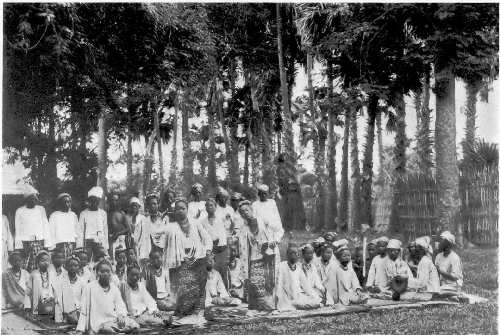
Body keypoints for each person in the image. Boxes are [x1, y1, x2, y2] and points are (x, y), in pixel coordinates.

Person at [163, 198, 212, 316]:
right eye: (177, 209)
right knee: (184, 288)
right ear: (174, 211)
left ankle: (198, 312)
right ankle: (185, 312)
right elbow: (163, 243)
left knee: (199, 287)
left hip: (198, 259)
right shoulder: (170, 227)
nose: (180, 211)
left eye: (182, 208)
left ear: (187, 209)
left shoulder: (196, 223)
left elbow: (207, 239)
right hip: (181, 261)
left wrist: (208, 253)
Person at [76, 260, 138, 334]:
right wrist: (80, 330)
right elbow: (83, 311)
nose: (105, 274)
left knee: (135, 325)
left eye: (108, 271)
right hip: (98, 323)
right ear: (97, 273)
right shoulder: (89, 288)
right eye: (102, 271)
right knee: (107, 330)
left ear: (111, 273)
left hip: (113, 321)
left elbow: (120, 305)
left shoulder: (114, 288)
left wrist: (120, 315)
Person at [237, 201, 279, 310]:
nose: (245, 213)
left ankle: (269, 304)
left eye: (246, 210)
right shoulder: (243, 229)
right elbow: (243, 247)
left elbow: (275, 232)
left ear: (251, 210)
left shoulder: (263, 222)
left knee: (268, 281)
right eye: (242, 212)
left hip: (266, 257)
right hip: (253, 258)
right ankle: (257, 305)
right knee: (255, 282)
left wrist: (272, 241)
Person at [275, 244, 321, 311]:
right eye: (291, 253)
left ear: (298, 255)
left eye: (295, 253)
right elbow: (279, 284)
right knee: (292, 305)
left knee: (316, 302)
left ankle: (298, 304)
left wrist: (314, 296)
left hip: (298, 296)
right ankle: (294, 304)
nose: (293, 255)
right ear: (287, 255)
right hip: (286, 297)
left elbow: (306, 285)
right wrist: (278, 298)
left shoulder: (299, 268)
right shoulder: (282, 266)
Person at [15, 188, 51, 271]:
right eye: (32, 199)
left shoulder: (41, 209)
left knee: (40, 265)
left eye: (35, 199)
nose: (34, 201)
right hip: (26, 243)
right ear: (26, 200)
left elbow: (45, 226)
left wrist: (47, 244)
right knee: (26, 266)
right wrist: (19, 246)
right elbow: (18, 229)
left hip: (39, 242)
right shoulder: (20, 211)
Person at [200, 198, 229, 288]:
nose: (209, 207)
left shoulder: (222, 219)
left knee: (223, 272)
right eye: (207, 205)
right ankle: (214, 294)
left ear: (216, 207)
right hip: (212, 250)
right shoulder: (202, 222)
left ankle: (226, 294)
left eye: (211, 205)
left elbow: (230, 230)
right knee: (213, 272)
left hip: (222, 249)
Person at [78, 186, 108, 262]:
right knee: (86, 262)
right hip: (87, 242)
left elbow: (105, 230)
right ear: (89, 201)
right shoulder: (83, 213)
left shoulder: (103, 213)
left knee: (99, 262)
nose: (94, 203)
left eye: (97, 201)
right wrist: (80, 246)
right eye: (92, 200)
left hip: (99, 243)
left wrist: (105, 246)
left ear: (99, 201)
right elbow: (80, 230)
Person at [49, 193, 79, 261]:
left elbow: (77, 231)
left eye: (68, 202)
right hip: (59, 246)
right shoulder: (54, 215)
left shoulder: (73, 215)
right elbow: (51, 232)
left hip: (71, 245)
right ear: (60, 203)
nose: (66, 204)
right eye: (64, 202)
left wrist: (77, 245)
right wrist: (53, 247)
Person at [56, 256, 85, 324]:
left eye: (76, 265)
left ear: (79, 267)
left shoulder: (82, 282)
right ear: (66, 266)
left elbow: (84, 300)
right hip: (65, 314)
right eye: (70, 265)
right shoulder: (60, 281)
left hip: (78, 313)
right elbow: (59, 300)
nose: (73, 268)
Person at [26, 251, 56, 317]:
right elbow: (28, 292)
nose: (45, 263)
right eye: (42, 260)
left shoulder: (52, 273)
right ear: (37, 262)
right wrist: (27, 307)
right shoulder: (34, 274)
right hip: (39, 301)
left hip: (50, 300)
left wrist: (51, 298)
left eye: (47, 260)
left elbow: (55, 289)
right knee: (46, 309)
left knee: (51, 309)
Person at [128, 197, 150, 268]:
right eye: (132, 206)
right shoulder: (128, 218)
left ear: (139, 207)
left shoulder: (143, 219)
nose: (134, 207)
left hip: (142, 247)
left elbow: (145, 236)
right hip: (131, 247)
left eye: (135, 205)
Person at [108, 194, 131, 260]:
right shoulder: (107, 214)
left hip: (121, 239)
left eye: (116, 200)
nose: (114, 202)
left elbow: (128, 229)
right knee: (112, 259)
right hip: (111, 239)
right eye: (112, 200)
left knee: (122, 258)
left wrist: (118, 234)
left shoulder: (122, 214)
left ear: (118, 202)